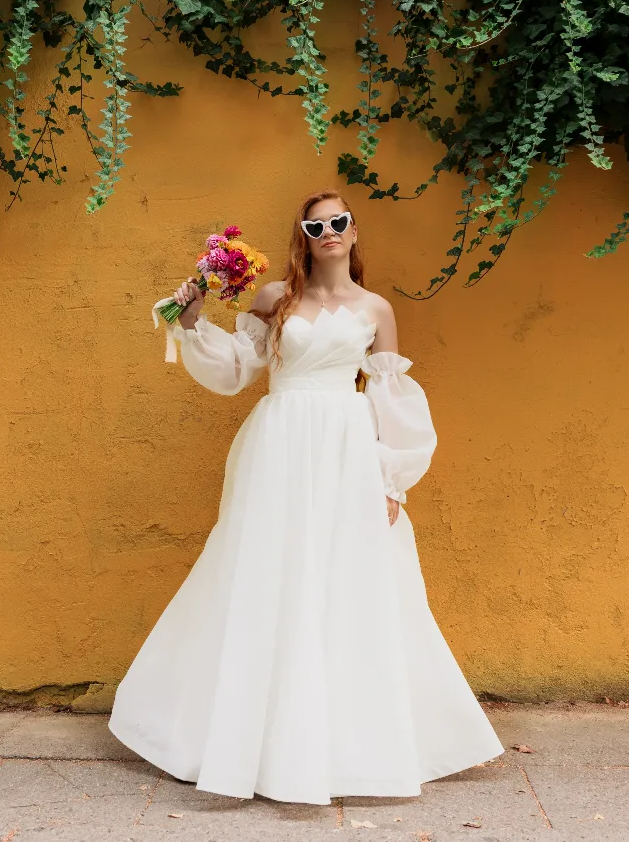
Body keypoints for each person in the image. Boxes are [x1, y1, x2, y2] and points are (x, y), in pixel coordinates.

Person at [109, 190, 503, 805]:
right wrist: (191, 320)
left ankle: (346, 745)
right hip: (279, 445)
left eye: (338, 222)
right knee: (266, 573)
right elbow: (238, 369)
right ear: (304, 235)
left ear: (354, 231)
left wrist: (391, 479)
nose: (329, 232)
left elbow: (388, 396)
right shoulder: (276, 298)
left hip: (347, 450)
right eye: (316, 226)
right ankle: (235, 738)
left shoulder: (376, 309)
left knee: (347, 578)